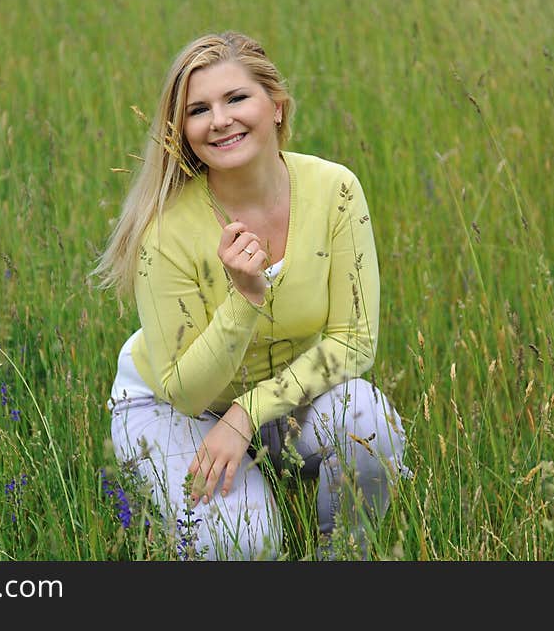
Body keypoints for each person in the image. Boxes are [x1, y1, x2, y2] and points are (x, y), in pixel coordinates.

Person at [92, 31, 409, 560]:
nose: (219, 120)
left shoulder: (336, 190)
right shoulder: (165, 231)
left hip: (285, 399)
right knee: (244, 544)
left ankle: (343, 558)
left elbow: (354, 341)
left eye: (236, 98)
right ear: (182, 133)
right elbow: (186, 393)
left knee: (371, 427)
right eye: (198, 109)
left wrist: (247, 415)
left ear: (277, 107)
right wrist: (244, 298)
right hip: (177, 407)